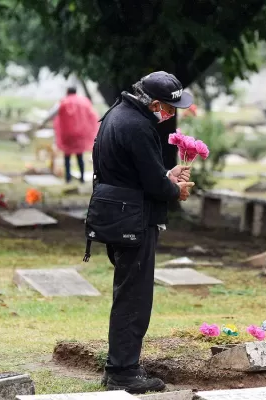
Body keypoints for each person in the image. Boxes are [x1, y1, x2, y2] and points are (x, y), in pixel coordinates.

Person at [96, 71, 195, 394]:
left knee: (127, 292)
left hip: (116, 213)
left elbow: (133, 173)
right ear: (154, 103)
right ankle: (123, 371)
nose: (170, 114)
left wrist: (167, 174)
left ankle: (120, 365)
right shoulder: (139, 126)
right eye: (169, 108)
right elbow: (152, 184)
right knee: (134, 297)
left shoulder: (117, 113)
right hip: (133, 220)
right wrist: (173, 189)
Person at [39, 87, 99, 183]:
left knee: (67, 156)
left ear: (67, 92)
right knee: (80, 156)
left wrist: (42, 123)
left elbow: (52, 114)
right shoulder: (84, 102)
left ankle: (68, 178)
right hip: (80, 134)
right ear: (76, 92)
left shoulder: (63, 102)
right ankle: (82, 178)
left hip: (67, 134)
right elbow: (93, 115)